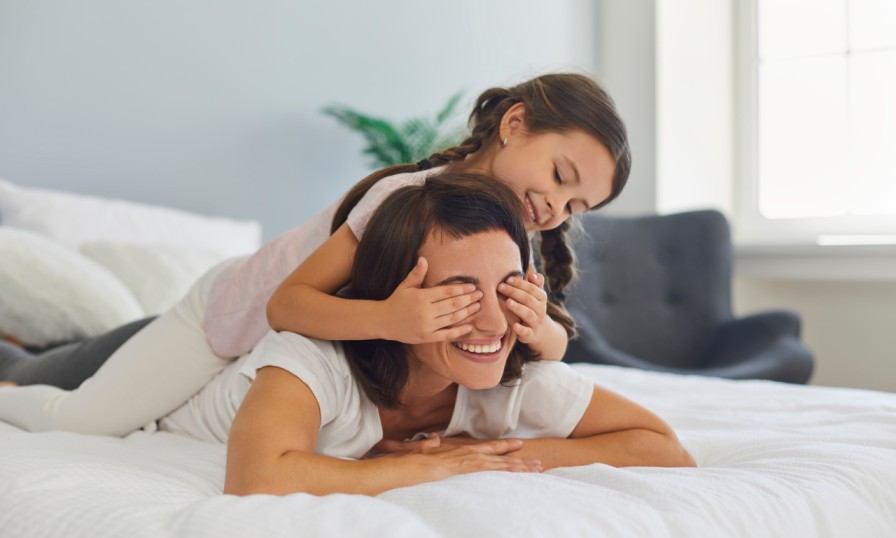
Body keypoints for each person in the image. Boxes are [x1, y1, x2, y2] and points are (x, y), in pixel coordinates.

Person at [0, 73, 631, 437]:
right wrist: (391, 320)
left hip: (262, 347)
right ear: (515, 123)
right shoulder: (403, 198)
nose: (556, 206)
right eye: (560, 174)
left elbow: (544, 352)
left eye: (577, 207)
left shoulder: (512, 239)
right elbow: (286, 304)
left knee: (91, 361)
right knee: (84, 420)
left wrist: (541, 328)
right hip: (226, 318)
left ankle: (28, 359)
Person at [4, 173, 694, 496]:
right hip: (199, 335)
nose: (491, 321)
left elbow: (662, 446)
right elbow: (259, 476)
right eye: (457, 292)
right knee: (64, 399)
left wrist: (489, 451)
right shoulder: (309, 359)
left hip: (229, 333)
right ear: (393, 291)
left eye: (505, 288)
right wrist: (427, 465)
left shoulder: (510, 370)